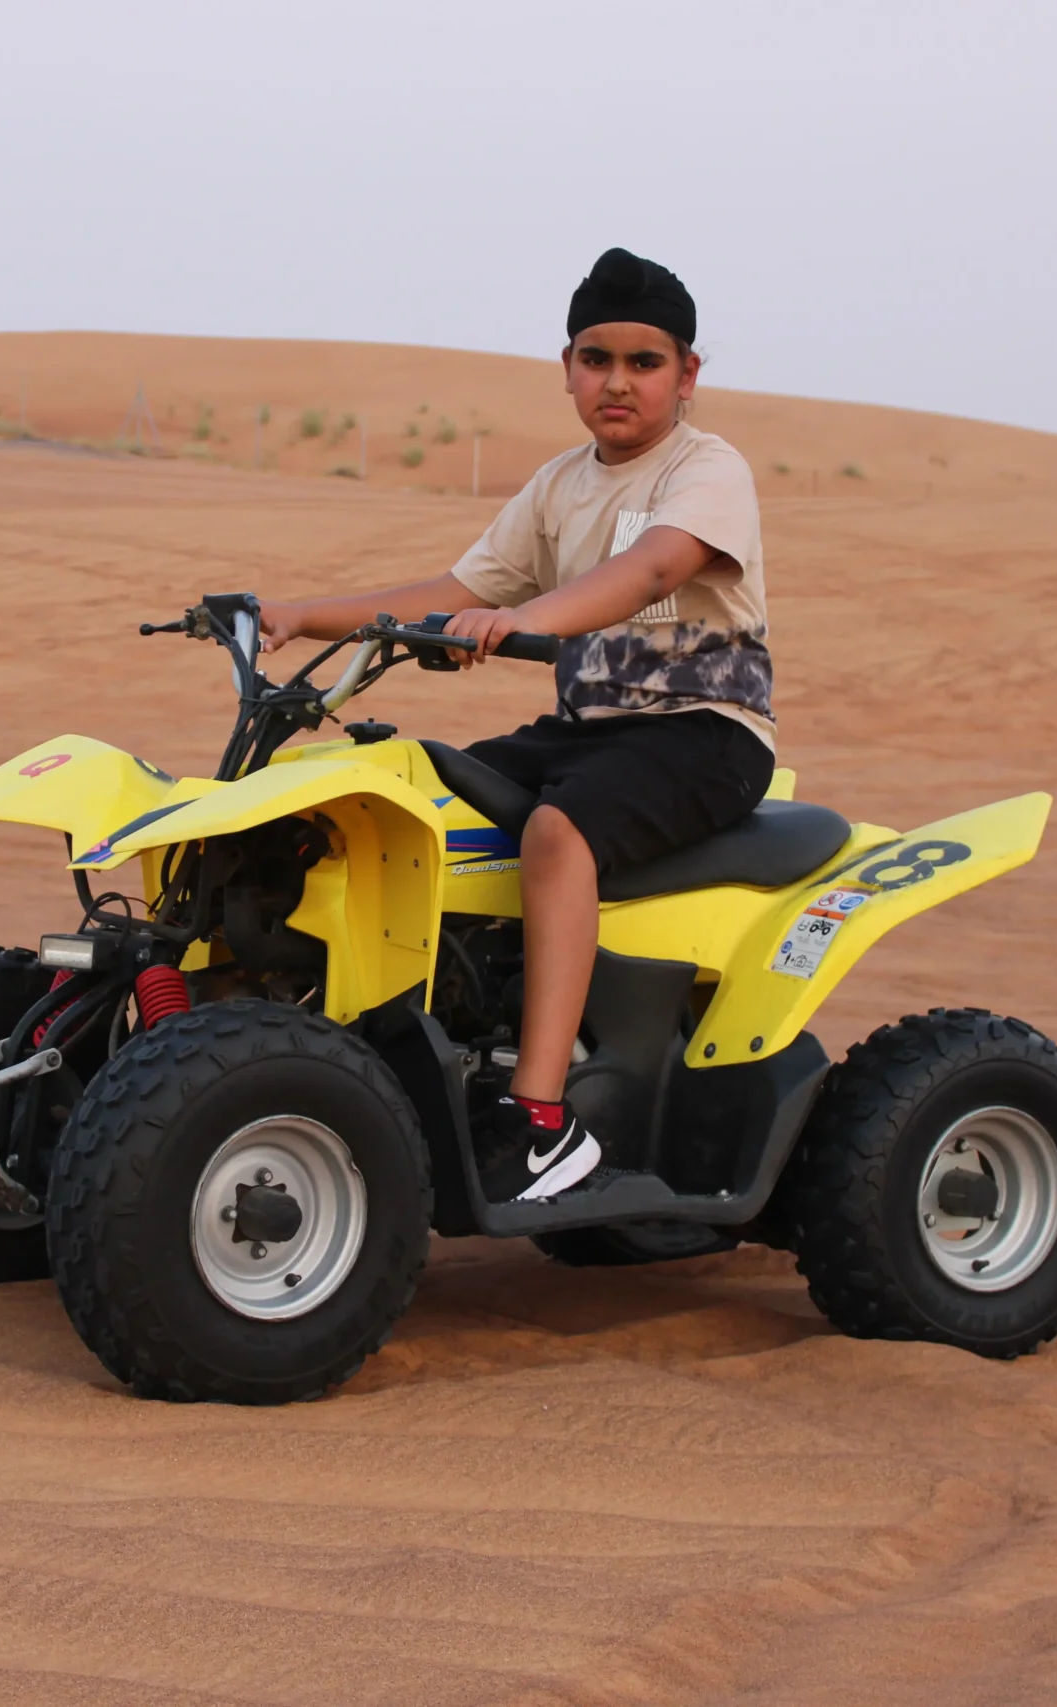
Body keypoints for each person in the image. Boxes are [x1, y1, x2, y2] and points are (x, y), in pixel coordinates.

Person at [260, 246, 775, 1205]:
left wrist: (524, 623)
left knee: (558, 830)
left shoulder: (707, 470)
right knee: (391, 787)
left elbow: (655, 568)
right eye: (595, 358)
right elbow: (454, 592)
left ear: (688, 374)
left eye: (645, 361)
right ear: (568, 366)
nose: (616, 382)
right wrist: (301, 613)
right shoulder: (559, 484)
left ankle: (542, 1120)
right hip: (589, 729)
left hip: (704, 732)